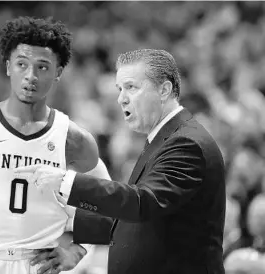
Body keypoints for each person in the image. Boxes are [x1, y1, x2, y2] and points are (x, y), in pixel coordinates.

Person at [16, 49, 226, 274]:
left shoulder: (186, 143)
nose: (121, 98)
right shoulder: (166, 138)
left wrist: (67, 183)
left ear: (164, 90)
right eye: (120, 89)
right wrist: (70, 226)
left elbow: (142, 203)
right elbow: (142, 221)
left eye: (131, 87)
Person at [0, 16, 110, 274]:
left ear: (58, 73)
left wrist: (78, 250)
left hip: (39, 265)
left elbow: (107, 199)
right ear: (8, 66)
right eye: (22, 64)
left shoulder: (73, 139)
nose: (30, 76)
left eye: (42, 67)